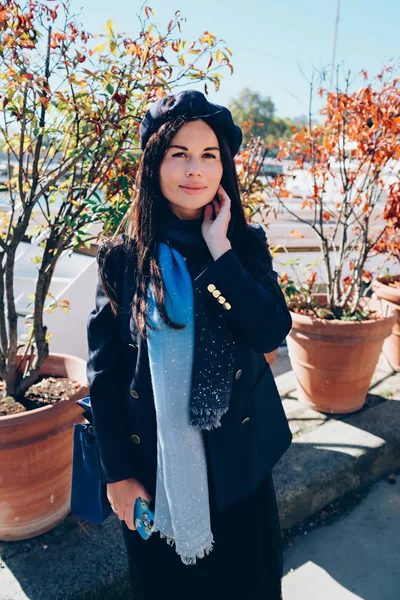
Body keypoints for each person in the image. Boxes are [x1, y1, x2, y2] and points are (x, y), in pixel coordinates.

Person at [86, 90, 293, 600]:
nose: (194, 170)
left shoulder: (242, 245)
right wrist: (117, 476)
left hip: (239, 468)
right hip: (154, 474)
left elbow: (269, 330)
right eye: (179, 154)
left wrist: (220, 252)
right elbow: (104, 375)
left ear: (224, 167)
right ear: (154, 164)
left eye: (209, 155)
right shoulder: (122, 257)